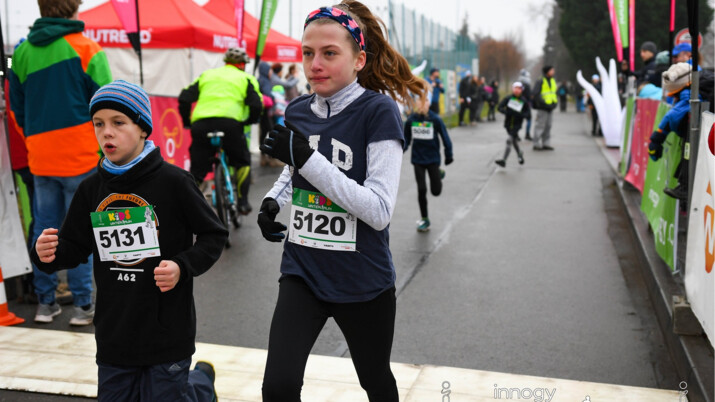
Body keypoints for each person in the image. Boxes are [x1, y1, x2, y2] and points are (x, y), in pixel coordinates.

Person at [257, 2, 428, 400]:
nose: (315, 64)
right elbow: (293, 171)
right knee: (278, 386)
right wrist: (271, 201)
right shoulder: (298, 109)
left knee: (375, 382)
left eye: (329, 53)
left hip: (362, 281)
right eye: (307, 53)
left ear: (358, 60)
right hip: (303, 271)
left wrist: (307, 159)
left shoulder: (379, 111)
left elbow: (379, 211)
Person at [32, 80, 227, 401]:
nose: (106, 132)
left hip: (167, 330)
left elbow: (214, 234)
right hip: (115, 332)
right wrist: (48, 253)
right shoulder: (91, 189)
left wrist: (182, 266)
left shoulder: (175, 182)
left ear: (143, 129)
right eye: (98, 124)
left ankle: (202, 387)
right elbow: (75, 247)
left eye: (118, 122)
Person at [8, 0, 112, 325]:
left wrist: (33, 138)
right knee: (79, 231)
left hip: (40, 156)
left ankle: (45, 303)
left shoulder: (23, 53)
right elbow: (108, 104)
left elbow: (16, 108)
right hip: (81, 155)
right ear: (73, 9)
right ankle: (83, 305)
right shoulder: (86, 48)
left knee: (45, 230)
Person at [179, 47, 262, 215]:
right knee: (242, 161)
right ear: (242, 65)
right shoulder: (245, 78)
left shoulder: (207, 75)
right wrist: (250, 120)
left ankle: (187, 207)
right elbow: (256, 104)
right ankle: (243, 202)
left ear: (226, 62)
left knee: (198, 169)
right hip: (230, 125)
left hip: (201, 125)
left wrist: (187, 122)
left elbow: (184, 98)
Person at [403, 89, 453, 232]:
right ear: (416, 103)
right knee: (421, 189)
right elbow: (406, 140)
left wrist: (448, 154)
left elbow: (445, 137)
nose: (422, 104)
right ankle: (425, 219)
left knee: (436, 191)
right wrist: (400, 151)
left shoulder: (435, 119)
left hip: (433, 159)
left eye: (425, 101)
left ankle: (439, 173)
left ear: (429, 103)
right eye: (419, 101)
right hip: (418, 159)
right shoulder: (411, 120)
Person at [648, 63, 698, 201]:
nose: (674, 98)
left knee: (688, 151)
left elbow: (672, 116)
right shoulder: (691, 89)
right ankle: (684, 186)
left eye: (675, 94)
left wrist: (657, 138)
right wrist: (658, 137)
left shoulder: (689, 94)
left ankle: (685, 187)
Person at [495, 82, 530, 167]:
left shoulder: (523, 100)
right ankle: (519, 154)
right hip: (508, 124)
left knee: (509, 140)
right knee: (513, 141)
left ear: (521, 90)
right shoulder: (508, 98)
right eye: (515, 88)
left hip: (517, 124)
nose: (517, 90)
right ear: (512, 89)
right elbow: (499, 107)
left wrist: (521, 115)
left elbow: (528, 113)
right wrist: (506, 112)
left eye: (519, 88)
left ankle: (503, 160)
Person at [531, 65, 558, 150]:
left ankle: (546, 143)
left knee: (548, 126)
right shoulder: (540, 80)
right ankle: (536, 143)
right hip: (542, 107)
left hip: (550, 107)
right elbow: (536, 94)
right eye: (551, 70)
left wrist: (554, 103)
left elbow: (553, 93)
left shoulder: (553, 80)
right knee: (540, 125)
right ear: (547, 71)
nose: (553, 72)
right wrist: (543, 103)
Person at [518, 69, 533, 140]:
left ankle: (515, 134)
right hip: (526, 104)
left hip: (518, 104)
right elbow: (529, 96)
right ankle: (527, 134)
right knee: (529, 119)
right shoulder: (527, 85)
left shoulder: (518, 85)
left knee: (518, 120)